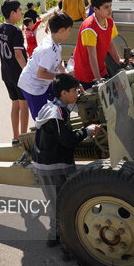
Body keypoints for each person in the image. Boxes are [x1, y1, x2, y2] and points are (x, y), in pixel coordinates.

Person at [32, 74, 101, 246]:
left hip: (42, 163)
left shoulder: (51, 107)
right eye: (74, 91)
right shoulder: (58, 113)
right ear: (63, 93)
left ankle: (54, 236)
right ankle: (67, 245)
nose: (77, 94)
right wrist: (87, 131)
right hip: (52, 166)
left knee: (54, 203)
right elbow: (67, 140)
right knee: (64, 204)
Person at [18, 11, 73, 119]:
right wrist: (61, 77)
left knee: (62, 98)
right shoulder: (49, 49)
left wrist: (66, 74)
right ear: (61, 30)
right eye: (69, 30)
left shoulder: (56, 42)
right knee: (43, 118)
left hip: (44, 82)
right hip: (32, 85)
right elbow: (40, 73)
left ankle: (62, 123)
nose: (70, 33)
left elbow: (58, 63)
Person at [73, 0, 122, 89]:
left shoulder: (109, 21)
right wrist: (98, 79)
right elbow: (92, 55)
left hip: (100, 69)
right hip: (85, 74)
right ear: (95, 9)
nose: (110, 10)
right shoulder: (89, 27)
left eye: (110, 6)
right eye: (106, 7)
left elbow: (110, 43)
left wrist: (119, 60)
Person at [0, 0, 29, 144]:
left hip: (6, 72)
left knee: (14, 104)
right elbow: (18, 54)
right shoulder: (15, 30)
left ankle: (15, 137)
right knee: (24, 105)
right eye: (19, 10)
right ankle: (24, 138)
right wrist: (27, 72)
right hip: (18, 74)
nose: (21, 12)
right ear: (12, 13)